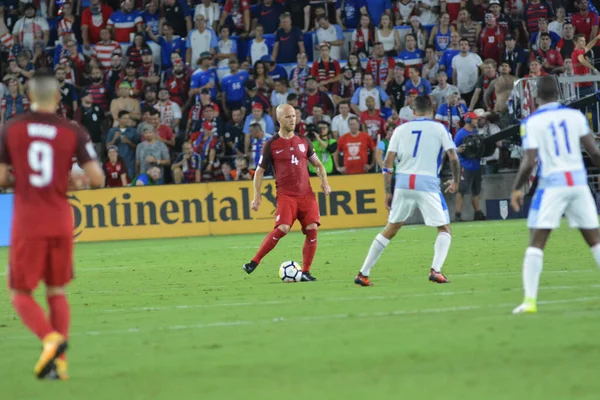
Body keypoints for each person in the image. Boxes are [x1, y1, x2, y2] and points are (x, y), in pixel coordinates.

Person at [0, 70, 105, 380]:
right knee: (56, 290)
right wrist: (70, 181)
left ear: (29, 96)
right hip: (60, 219)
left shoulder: (11, 129)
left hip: (29, 220)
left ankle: (51, 338)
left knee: (20, 291)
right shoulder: (72, 130)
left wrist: (21, 175)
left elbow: (2, 178)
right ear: (58, 97)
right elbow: (97, 179)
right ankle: (57, 367)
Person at [510, 76, 600, 314]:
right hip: (579, 183)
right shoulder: (576, 116)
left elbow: (529, 162)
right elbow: (594, 153)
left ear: (537, 96)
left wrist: (518, 188)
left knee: (536, 241)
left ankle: (529, 301)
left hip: (552, 185)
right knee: (595, 240)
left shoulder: (532, 122)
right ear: (559, 94)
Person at [354, 95, 460, 286]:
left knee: (391, 228)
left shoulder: (401, 129)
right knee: (444, 228)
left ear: (413, 111)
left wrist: (388, 191)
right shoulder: (439, 128)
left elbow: (387, 163)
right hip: (427, 184)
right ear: (432, 108)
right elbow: (453, 156)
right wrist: (456, 181)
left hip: (402, 183)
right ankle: (435, 270)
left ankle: (363, 273)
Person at [242, 104, 332, 281]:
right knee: (282, 228)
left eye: (294, 116)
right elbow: (259, 171)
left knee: (312, 229)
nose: (292, 120)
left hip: (306, 195)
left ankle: (305, 272)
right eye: (288, 117)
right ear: (279, 119)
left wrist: (325, 183)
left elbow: (318, 164)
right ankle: (254, 261)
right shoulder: (271, 145)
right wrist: (257, 196)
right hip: (286, 195)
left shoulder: (304, 141)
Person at [454, 112, 486, 221]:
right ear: (468, 120)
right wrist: (458, 150)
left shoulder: (475, 132)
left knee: (476, 190)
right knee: (461, 190)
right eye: (474, 119)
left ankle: (478, 213)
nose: (476, 121)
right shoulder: (460, 134)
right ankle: (457, 214)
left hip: (476, 165)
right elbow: (453, 149)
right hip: (465, 165)